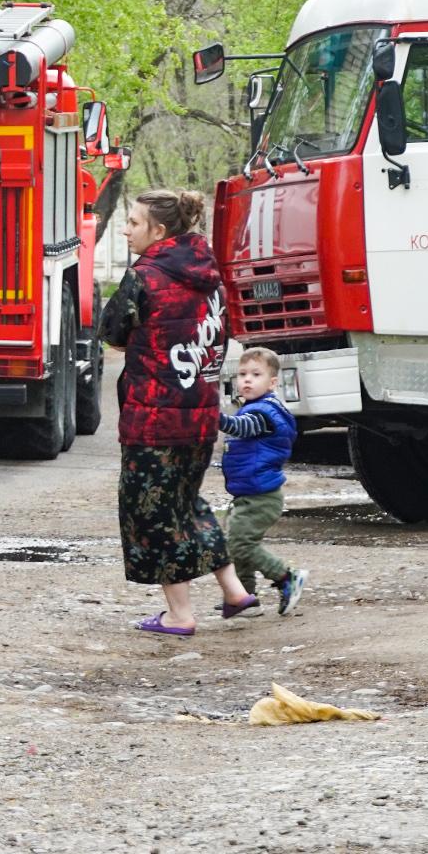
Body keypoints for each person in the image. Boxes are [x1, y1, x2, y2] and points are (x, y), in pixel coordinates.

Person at [98, 188, 257, 636]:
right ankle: (234, 592)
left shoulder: (145, 276)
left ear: (159, 230)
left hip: (155, 421)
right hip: (200, 415)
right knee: (185, 504)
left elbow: (111, 332)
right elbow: (219, 340)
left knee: (151, 515)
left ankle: (179, 615)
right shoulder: (211, 278)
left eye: (133, 222)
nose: (127, 229)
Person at [220, 346, 308, 616]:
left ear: (272, 382)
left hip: (261, 496)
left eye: (255, 374)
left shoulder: (263, 414)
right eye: (242, 374)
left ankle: (285, 577)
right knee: (237, 541)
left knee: (241, 544)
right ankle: (244, 598)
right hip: (249, 493)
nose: (246, 379)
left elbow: (241, 428)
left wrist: (212, 417)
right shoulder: (254, 408)